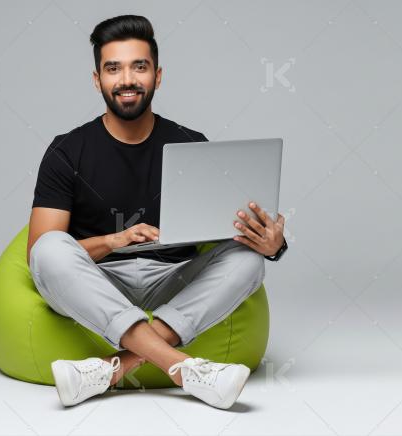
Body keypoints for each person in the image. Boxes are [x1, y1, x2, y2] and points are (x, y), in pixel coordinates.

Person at [27, 14, 288, 409]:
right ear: (97, 79)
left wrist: (274, 244)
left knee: (251, 260)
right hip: (97, 280)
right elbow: (40, 253)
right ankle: (187, 370)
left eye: (139, 67)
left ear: (158, 76)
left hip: (172, 278)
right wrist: (114, 241)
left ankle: (106, 370)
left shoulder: (191, 145)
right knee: (49, 250)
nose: (127, 79)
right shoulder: (67, 151)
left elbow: (232, 228)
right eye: (113, 68)